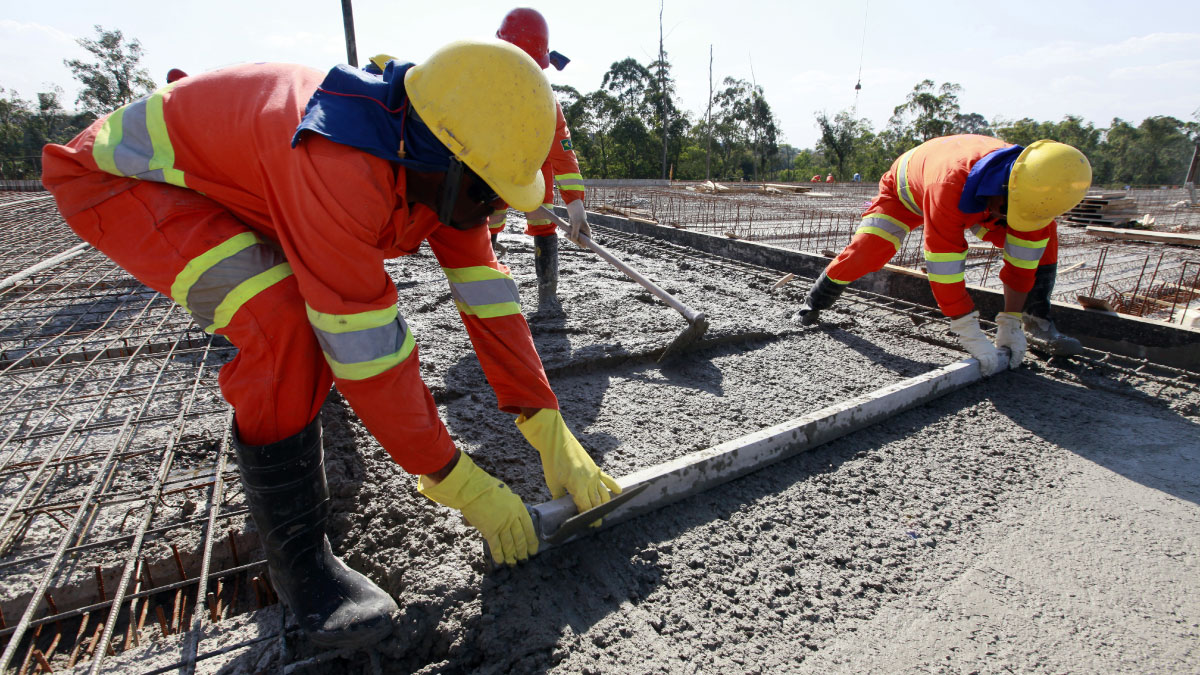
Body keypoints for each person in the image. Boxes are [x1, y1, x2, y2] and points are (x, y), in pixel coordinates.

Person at [42, 40, 620, 649]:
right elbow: (368, 355)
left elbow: (489, 298)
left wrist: (549, 426)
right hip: (125, 182)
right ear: (445, 162)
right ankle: (304, 573)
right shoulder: (341, 163)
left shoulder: (430, 160)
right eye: (488, 195)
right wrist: (456, 480)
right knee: (284, 322)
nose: (493, 212)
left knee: (303, 314)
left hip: (237, 186)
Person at [795, 134, 1091, 370]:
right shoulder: (948, 186)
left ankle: (1036, 321)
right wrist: (968, 330)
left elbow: (1023, 262)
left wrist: (1010, 319)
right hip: (906, 193)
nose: (1007, 221)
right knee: (868, 252)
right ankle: (814, 303)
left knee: (1044, 239)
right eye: (1005, 212)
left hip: (976, 196)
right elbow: (944, 267)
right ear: (1004, 189)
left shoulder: (1035, 189)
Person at [492, 7, 590, 315]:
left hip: (534, 172)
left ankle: (547, 294)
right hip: (491, 169)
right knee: (488, 222)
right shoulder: (484, 90)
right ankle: (487, 284)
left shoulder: (547, 103)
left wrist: (575, 208)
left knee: (543, 223)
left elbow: (563, 155)